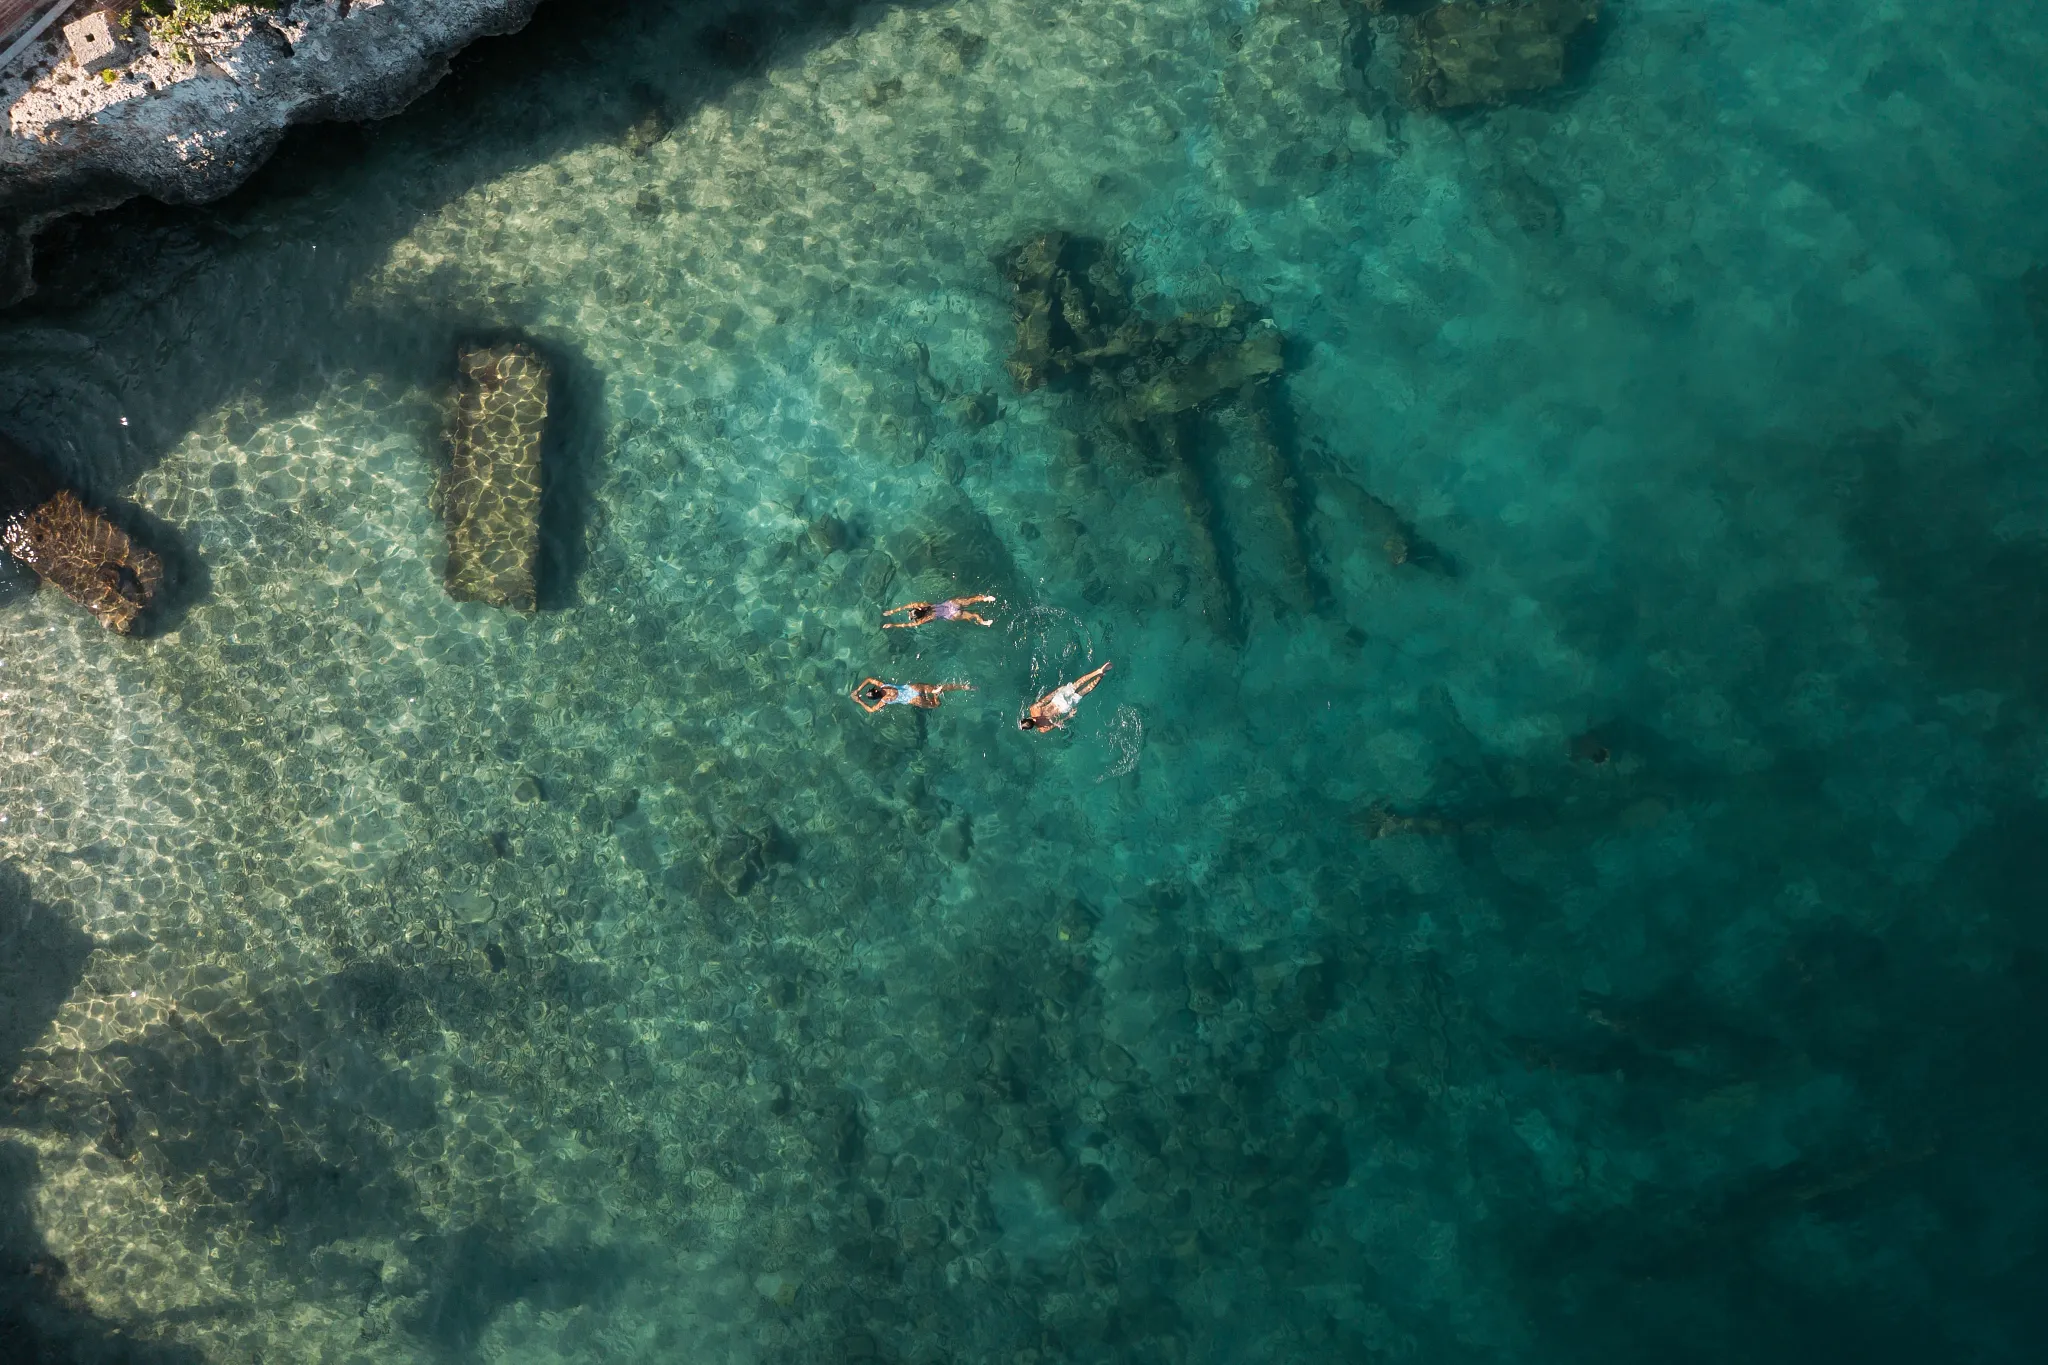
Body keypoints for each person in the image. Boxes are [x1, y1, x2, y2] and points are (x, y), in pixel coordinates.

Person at [1019, 662, 1112, 732]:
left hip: (1064, 707)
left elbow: (1058, 723)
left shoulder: (1043, 729)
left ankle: (1101, 675)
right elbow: (1047, 698)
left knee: (1086, 690)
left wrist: (1069, 715)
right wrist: (1057, 690)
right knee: (1078, 683)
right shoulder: (1034, 708)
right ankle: (1098, 671)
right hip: (1057, 700)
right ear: (1029, 718)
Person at [851, 677, 974, 713]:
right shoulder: (883, 685)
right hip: (914, 688)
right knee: (939, 688)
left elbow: (871, 710)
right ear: (876, 690)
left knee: (936, 705)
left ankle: (936, 697)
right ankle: (965, 687)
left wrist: (860, 701)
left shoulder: (885, 701)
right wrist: (858, 689)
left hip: (914, 699)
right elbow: (869, 679)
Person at [882, 594, 997, 629]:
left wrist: (893, 625)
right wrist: (892, 611)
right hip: (951, 604)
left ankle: (983, 622)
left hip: (952, 615)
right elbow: (906, 606)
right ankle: (986, 599)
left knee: (973, 615)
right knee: (972, 600)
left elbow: (907, 624)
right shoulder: (923, 605)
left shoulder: (925, 619)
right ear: (918, 609)